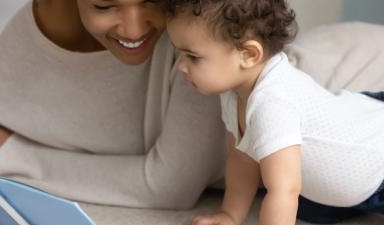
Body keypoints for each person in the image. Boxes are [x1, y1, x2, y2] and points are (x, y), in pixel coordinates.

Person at [0, 0, 227, 224]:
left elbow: (171, 185)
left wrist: (13, 157)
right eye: (104, 6)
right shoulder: (49, 18)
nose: (133, 29)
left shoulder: (199, 26)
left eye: (153, 1)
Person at [164, 0, 384, 224]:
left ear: (249, 54)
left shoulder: (273, 105)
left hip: (377, 151)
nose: (181, 65)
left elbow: (283, 190)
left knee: (288, 198)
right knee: (312, 209)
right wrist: (230, 215)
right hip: (347, 176)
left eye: (192, 56)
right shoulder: (234, 91)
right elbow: (242, 160)